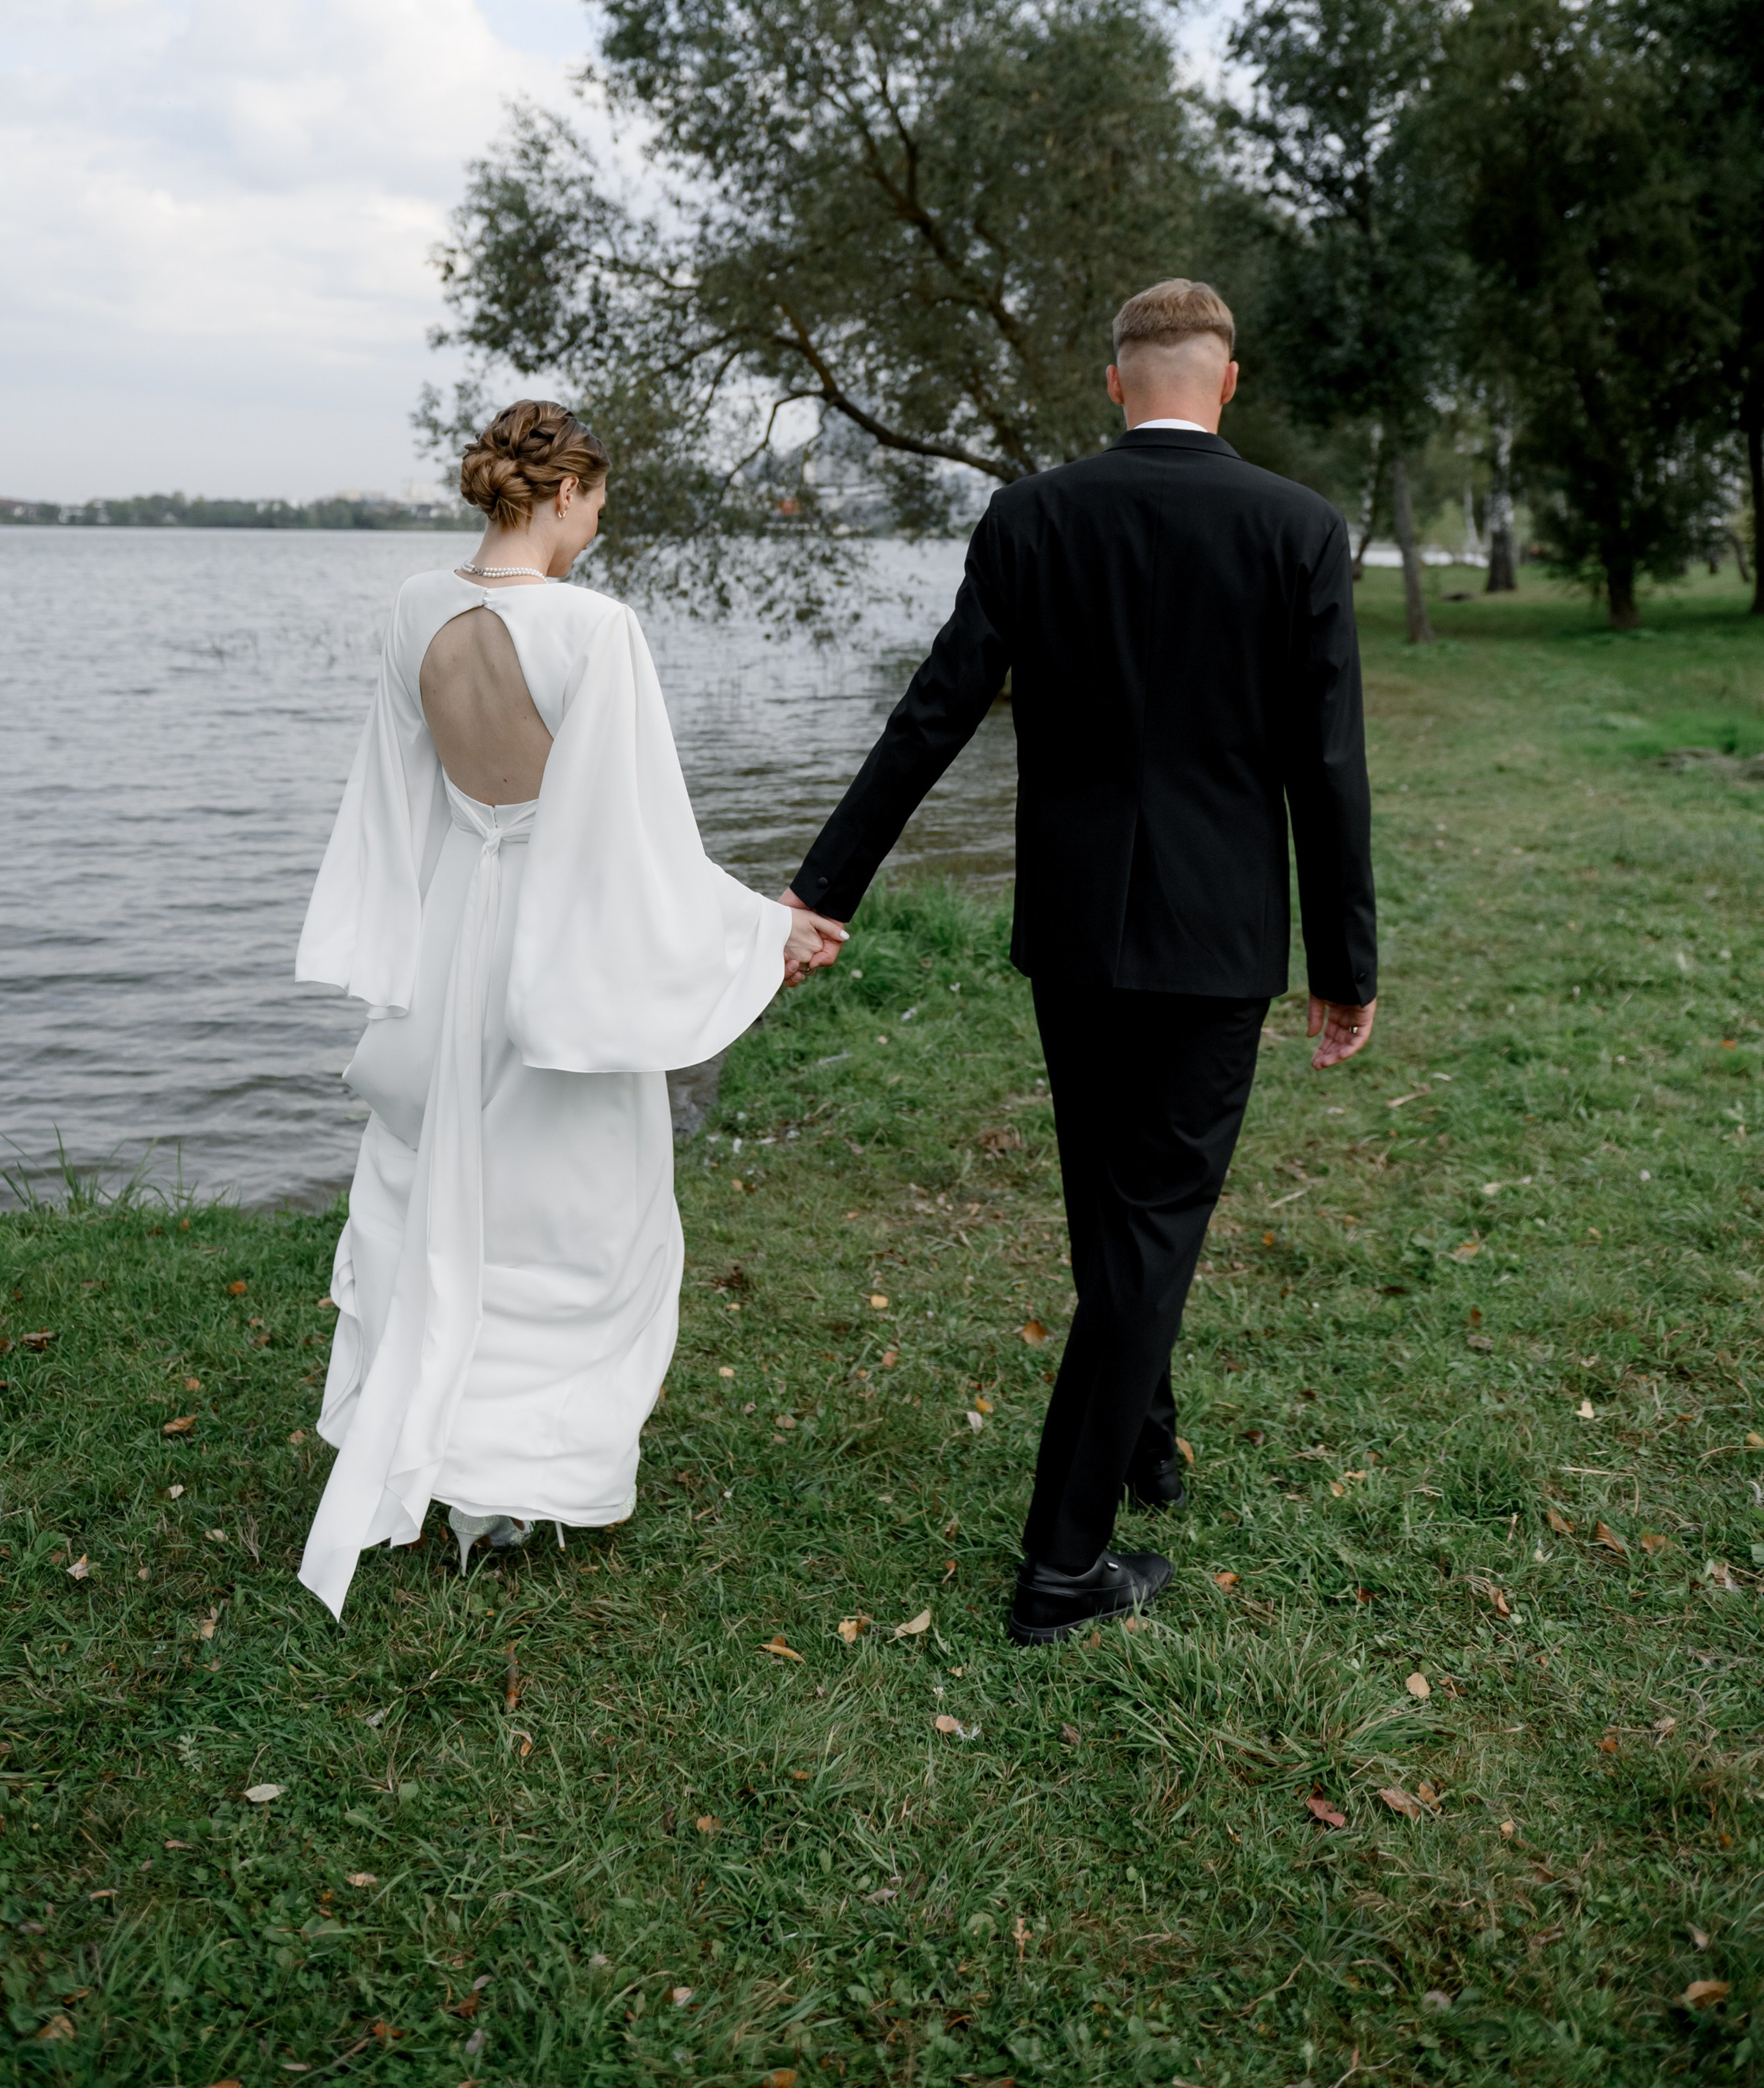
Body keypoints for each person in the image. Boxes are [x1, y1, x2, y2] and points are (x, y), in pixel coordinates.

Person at [783, 281, 1378, 1646]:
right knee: (1151, 1225)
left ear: (1118, 382)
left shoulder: (1035, 515)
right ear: (1228, 383)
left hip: (1073, 931)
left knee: (1114, 1214)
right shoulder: (1299, 529)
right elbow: (1328, 766)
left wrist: (825, 885)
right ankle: (1063, 1567)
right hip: (1218, 936)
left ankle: (1145, 1443)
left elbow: (934, 710)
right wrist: (1345, 960)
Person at [293, 399, 842, 1620]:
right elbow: (635, 840)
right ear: (562, 493)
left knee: (444, 1194)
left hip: (451, 945)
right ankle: (514, 1479)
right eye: (597, 500)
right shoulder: (596, 629)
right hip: (551, 952)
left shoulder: (412, 607)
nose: (599, 523)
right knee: (576, 1215)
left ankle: (458, 1468)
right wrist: (765, 930)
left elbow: (396, 800)